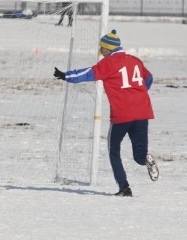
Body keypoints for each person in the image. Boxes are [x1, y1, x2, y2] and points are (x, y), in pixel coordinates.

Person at [53, 29, 159, 197]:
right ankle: (146, 157)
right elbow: (149, 78)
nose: (100, 52)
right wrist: (137, 94)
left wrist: (65, 75)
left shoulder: (108, 63)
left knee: (114, 150)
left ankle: (124, 188)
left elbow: (87, 74)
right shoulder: (135, 61)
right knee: (139, 155)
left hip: (122, 116)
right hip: (142, 112)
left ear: (108, 48)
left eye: (101, 48)